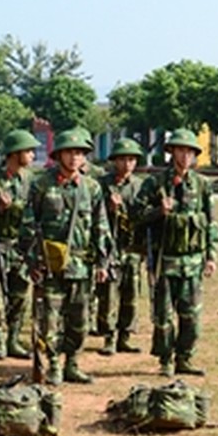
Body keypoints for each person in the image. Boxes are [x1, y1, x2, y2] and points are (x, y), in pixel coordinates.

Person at [21, 127, 112, 385]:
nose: (74, 158)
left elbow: (101, 226)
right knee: (49, 320)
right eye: (69, 152)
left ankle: (72, 362)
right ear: (58, 155)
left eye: (79, 153)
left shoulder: (92, 188)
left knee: (80, 319)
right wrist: (32, 262)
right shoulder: (41, 184)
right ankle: (52, 365)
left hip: (81, 266)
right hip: (49, 265)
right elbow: (27, 225)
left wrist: (103, 262)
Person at [135, 129, 218, 376]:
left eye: (190, 152)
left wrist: (211, 256)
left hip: (192, 262)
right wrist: (158, 212)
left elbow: (211, 223)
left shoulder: (203, 185)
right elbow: (136, 216)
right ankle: (165, 360)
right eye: (180, 150)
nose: (185, 156)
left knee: (191, 316)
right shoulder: (155, 183)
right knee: (163, 316)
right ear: (171, 152)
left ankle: (185, 358)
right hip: (164, 261)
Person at [0, 129, 40, 360]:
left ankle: (13, 339)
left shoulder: (30, 180)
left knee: (20, 293)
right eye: (29, 151)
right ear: (15, 153)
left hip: (22, 246)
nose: (33, 156)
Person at [96, 138, 146, 356]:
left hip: (132, 248)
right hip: (110, 248)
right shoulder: (102, 184)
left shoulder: (140, 186)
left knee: (131, 294)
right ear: (114, 161)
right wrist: (109, 206)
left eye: (132, 159)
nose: (127, 164)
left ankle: (125, 336)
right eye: (123, 159)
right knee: (108, 295)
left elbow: (144, 216)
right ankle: (108, 336)